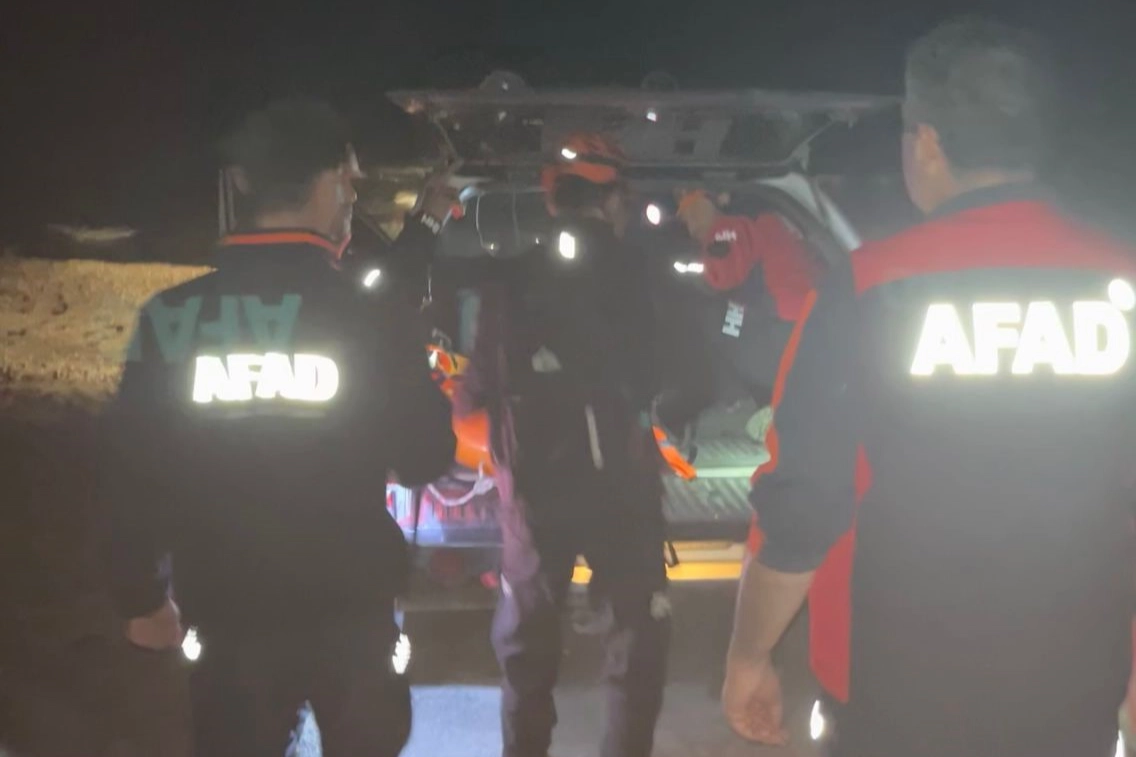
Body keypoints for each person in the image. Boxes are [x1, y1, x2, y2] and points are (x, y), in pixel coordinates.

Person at [723, 18, 1136, 757]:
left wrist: (749, 656)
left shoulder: (867, 288)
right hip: (1075, 690)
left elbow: (803, 503)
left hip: (895, 699)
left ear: (929, 143)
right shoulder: (1123, 282)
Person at [104, 98, 456, 757]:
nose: (353, 196)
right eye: (351, 180)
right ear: (327, 183)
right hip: (350, 615)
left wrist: (140, 597)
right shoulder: (370, 317)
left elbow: (131, 470)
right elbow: (425, 454)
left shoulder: (171, 316)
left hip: (227, 610)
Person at [455, 133, 671, 757]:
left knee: (526, 645)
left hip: (534, 490)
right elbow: (686, 375)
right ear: (615, 201)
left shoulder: (510, 279)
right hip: (622, 488)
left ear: (552, 200)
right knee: (635, 636)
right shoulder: (641, 272)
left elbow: (472, 396)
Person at [659, 189, 819, 437]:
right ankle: (760, 400)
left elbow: (722, 277)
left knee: (713, 321)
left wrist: (688, 274)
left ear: (714, 201)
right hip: (804, 320)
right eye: (686, 219)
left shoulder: (729, 227)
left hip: (781, 325)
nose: (692, 226)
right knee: (729, 321)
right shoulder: (762, 216)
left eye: (693, 213)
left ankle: (755, 402)